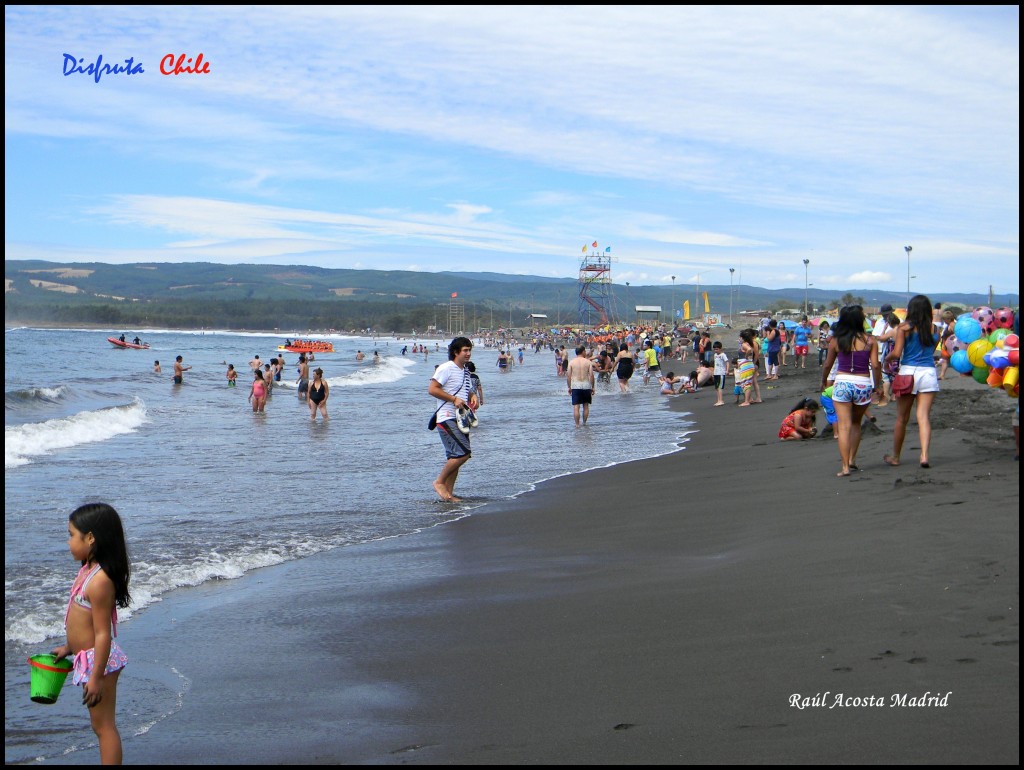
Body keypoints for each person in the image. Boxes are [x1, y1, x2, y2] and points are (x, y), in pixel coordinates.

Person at [51, 503, 131, 765]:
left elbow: (101, 633)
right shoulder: (87, 569)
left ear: (91, 538)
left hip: (99, 662)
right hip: (88, 658)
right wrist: (69, 647)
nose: (69, 541)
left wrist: (95, 677)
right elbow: (81, 622)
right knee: (99, 726)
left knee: (104, 727)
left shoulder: (99, 581)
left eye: (72, 535)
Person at [821, 305, 881, 476]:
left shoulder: (837, 341)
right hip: (863, 383)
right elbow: (876, 365)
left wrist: (823, 381)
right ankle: (853, 459)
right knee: (856, 423)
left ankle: (845, 467)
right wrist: (877, 386)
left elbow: (827, 365)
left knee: (844, 426)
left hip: (842, 383)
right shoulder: (870, 340)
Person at [884, 294, 940, 468]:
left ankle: (896, 456)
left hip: (908, 371)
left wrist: (887, 359)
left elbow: (897, 353)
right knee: (923, 417)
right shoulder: (935, 329)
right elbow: (930, 352)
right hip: (929, 372)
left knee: (902, 418)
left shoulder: (904, 328)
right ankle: (924, 455)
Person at [429, 337, 474, 502]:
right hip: (446, 417)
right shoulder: (446, 368)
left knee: (455, 456)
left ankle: (448, 494)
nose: (468, 353)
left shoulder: (465, 371)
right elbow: (432, 389)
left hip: (461, 418)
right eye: (465, 350)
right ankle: (439, 482)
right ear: (456, 352)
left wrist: (473, 395)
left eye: (469, 350)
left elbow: (466, 390)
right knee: (463, 453)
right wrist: (453, 399)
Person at [566, 344, 595, 426]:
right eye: (585, 351)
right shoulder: (588, 362)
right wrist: (593, 387)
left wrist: (569, 387)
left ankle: (577, 424)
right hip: (586, 385)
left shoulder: (571, 362)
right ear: (582, 352)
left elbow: (568, 376)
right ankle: (585, 423)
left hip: (576, 385)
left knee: (576, 406)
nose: (586, 352)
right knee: (586, 406)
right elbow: (591, 375)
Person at [712, 341, 730, 406]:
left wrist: (727, 370)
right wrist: (713, 372)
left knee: (720, 387)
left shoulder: (723, 355)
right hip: (716, 372)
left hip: (721, 373)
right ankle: (718, 400)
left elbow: (727, 362)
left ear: (720, 348)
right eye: (714, 349)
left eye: (717, 349)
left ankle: (721, 400)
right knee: (716, 387)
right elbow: (715, 364)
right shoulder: (715, 355)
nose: (715, 350)